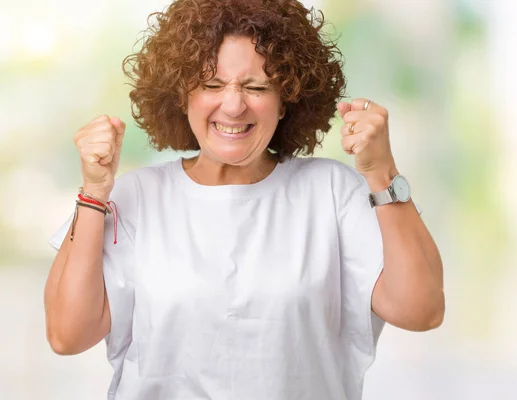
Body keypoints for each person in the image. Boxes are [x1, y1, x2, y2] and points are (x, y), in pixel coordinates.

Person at [44, 0, 445, 399]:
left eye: (256, 87)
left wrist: (382, 173)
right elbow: (68, 335)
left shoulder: (333, 192)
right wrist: (94, 193)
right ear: (181, 94)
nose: (233, 106)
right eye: (212, 85)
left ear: (287, 97)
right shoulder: (137, 197)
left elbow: (421, 310)